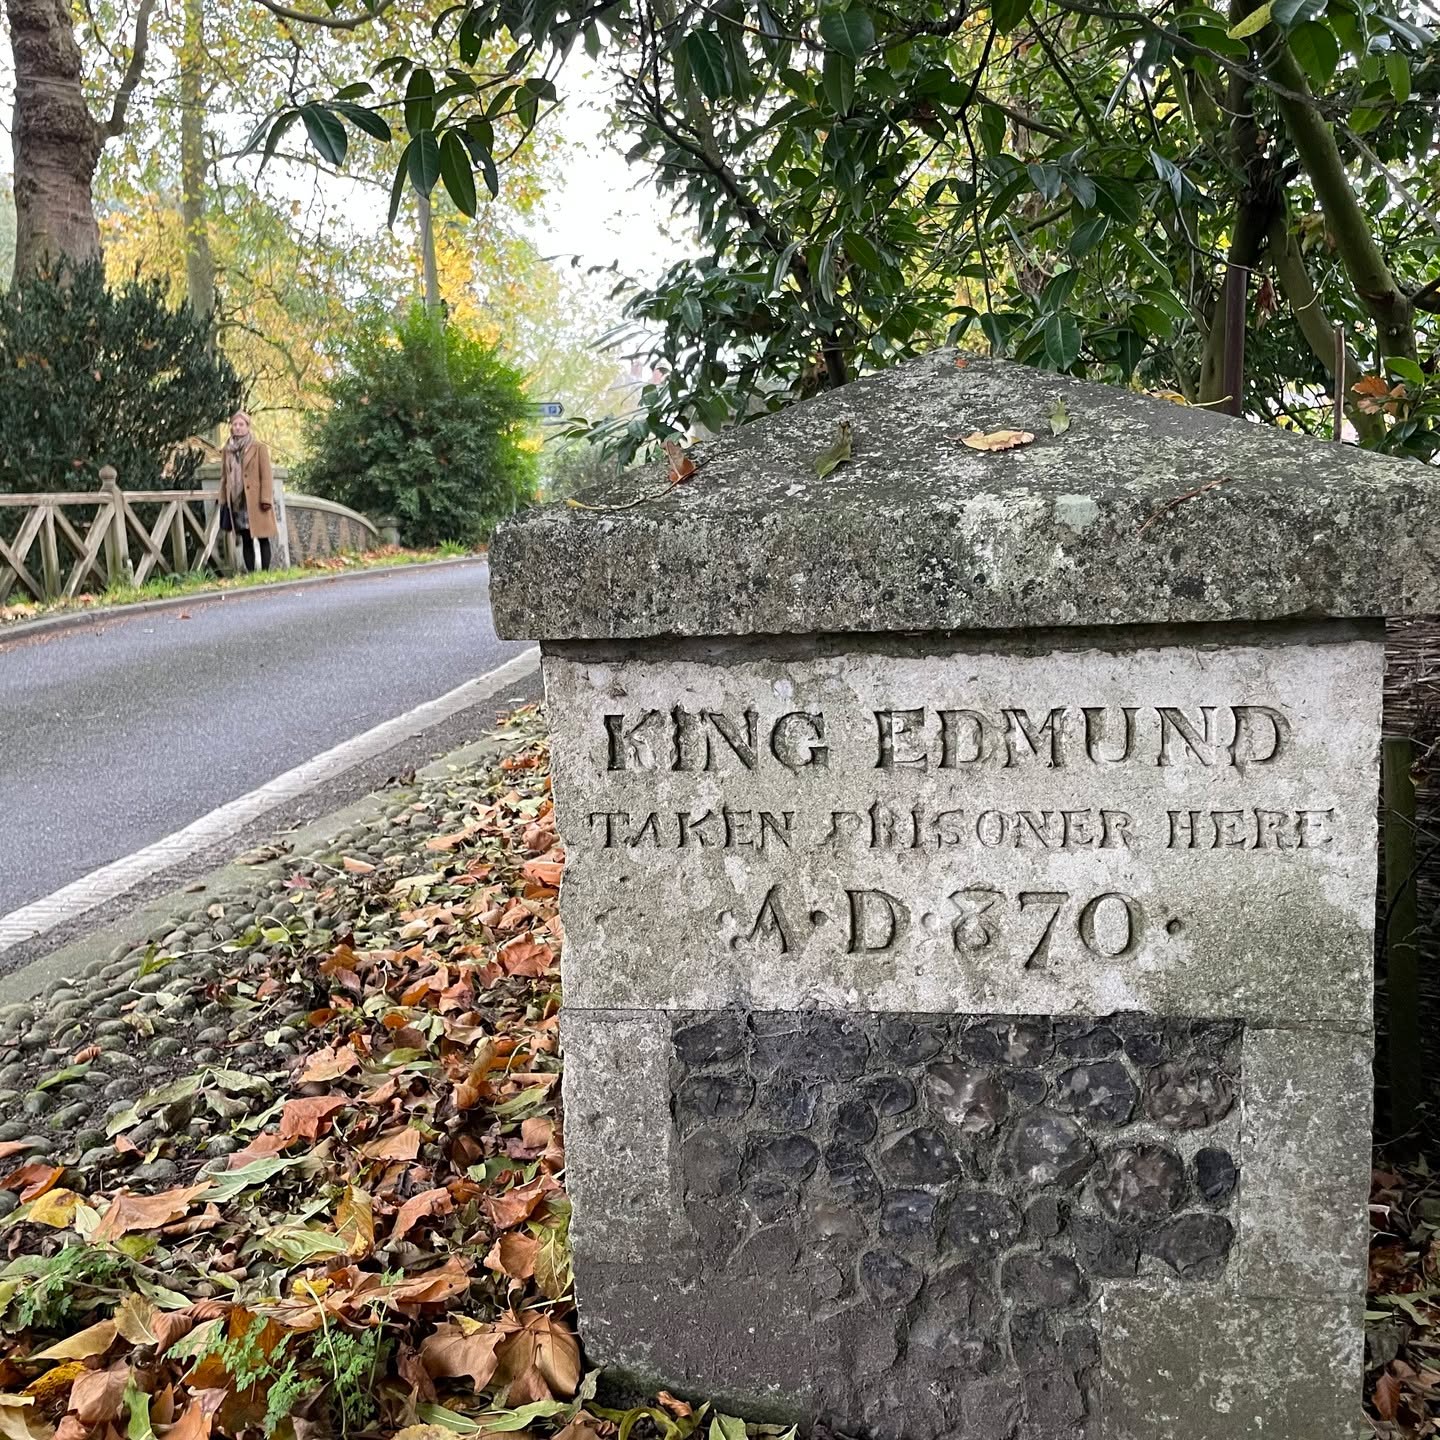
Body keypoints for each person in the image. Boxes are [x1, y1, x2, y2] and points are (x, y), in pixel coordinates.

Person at [222, 411, 277, 572]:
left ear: (247, 427)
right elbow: (224, 477)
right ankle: (252, 573)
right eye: (235, 424)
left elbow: (266, 475)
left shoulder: (258, 447)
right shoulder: (227, 450)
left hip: (256, 500)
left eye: (241, 424)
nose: (238, 427)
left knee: (263, 537)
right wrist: (223, 499)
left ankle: (265, 572)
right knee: (246, 539)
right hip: (237, 500)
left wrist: (266, 498)